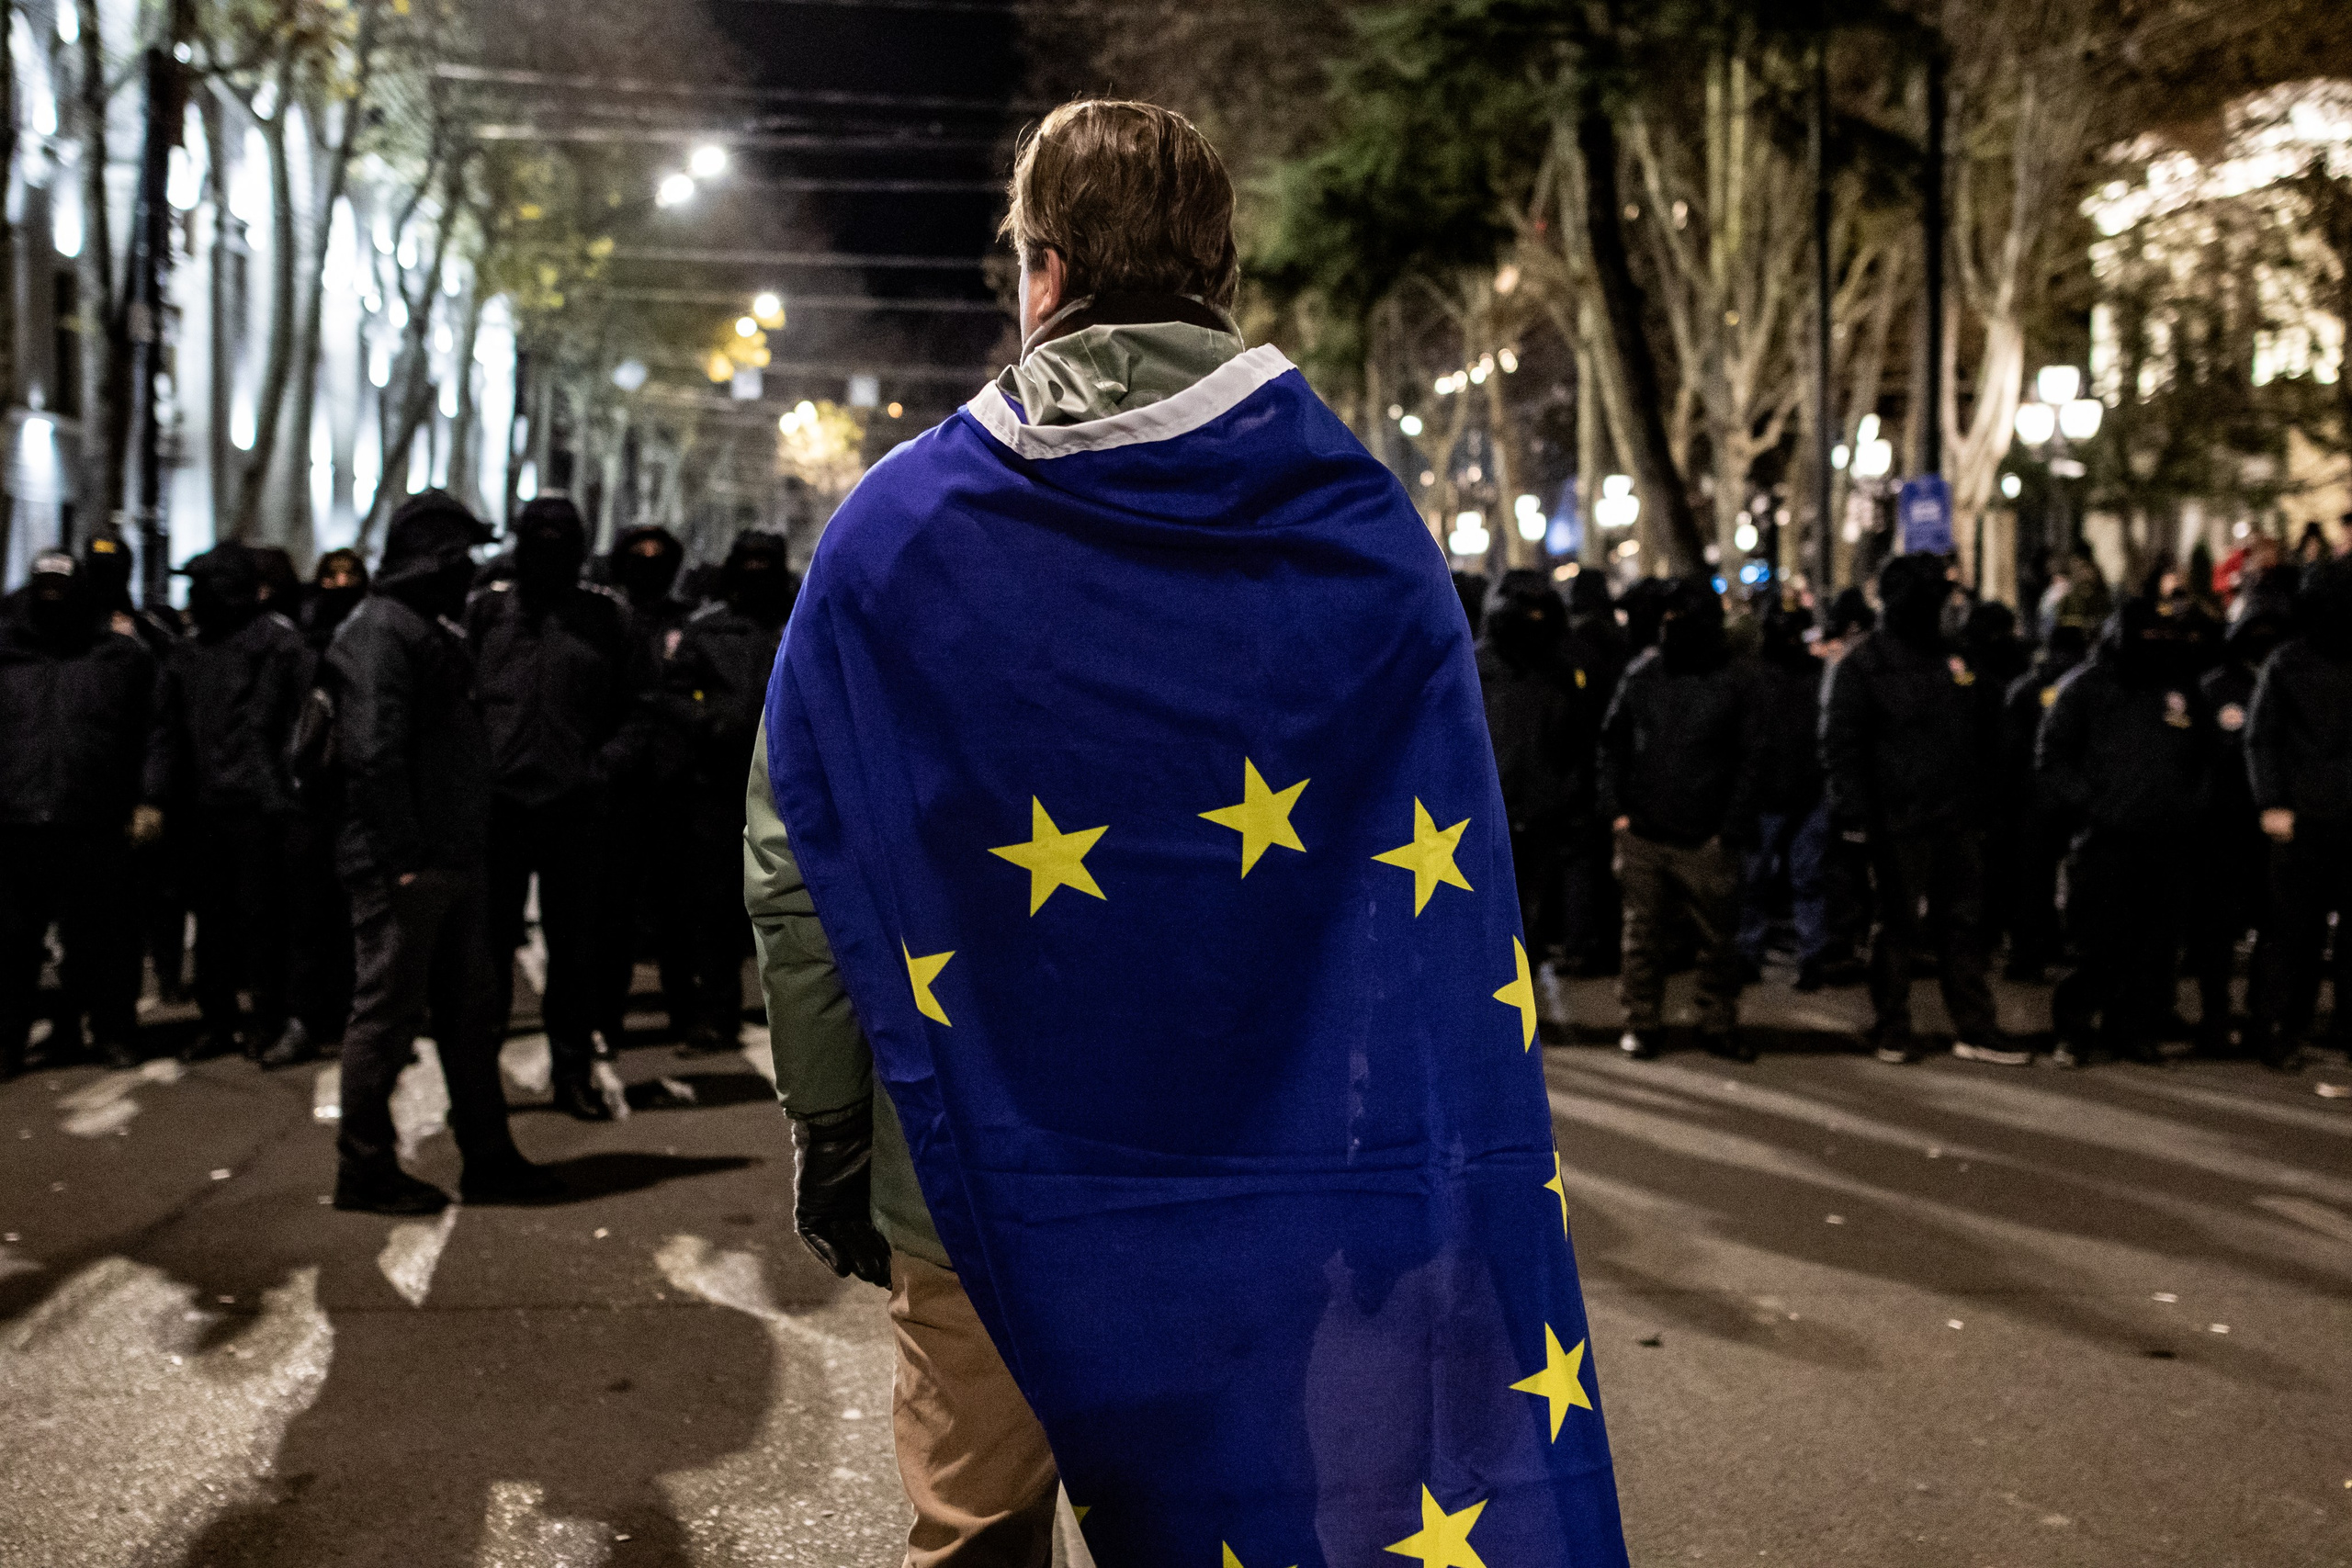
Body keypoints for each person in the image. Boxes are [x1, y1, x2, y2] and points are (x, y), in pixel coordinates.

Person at [749, 100, 1625, 1566]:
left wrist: (837, 1117)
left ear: (1042, 264)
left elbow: (803, 865)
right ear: (1222, 265)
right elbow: (1420, 879)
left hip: (978, 1173)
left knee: (973, 1534)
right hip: (1255, 1189)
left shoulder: (894, 532)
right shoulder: (1357, 529)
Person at [328, 491, 558, 1213]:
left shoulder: (414, 627)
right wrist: (402, 854)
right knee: (387, 1015)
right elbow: (370, 752)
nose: (473, 574)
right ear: (434, 562)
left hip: (445, 856)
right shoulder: (381, 634)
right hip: (410, 863)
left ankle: (487, 1155)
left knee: (469, 1011)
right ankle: (364, 1167)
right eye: (462, 559)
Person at [467, 495, 641, 1120]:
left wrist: (601, 769)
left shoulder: (606, 618)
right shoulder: (486, 613)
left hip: (574, 807)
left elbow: (636, 706)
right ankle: (477, 1080)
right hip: (501, 805)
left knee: (574, 951)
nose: (547, 546)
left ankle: (571, 1072)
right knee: (485, 952)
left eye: (559, 536)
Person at [1822, 555, 2024, 1066]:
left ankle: (1974, 1026)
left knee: (1962, 922)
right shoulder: (1866, 665)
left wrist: (1989, 802)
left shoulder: (1957, 660)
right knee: (1897, 925)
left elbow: (1990, 734)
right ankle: (1892, 1025)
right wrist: (1856, 815)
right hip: (1898, 818)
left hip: (1955, 815)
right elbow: (1843, 745)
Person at [0, 553, 164, 1077]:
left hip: (93, 819)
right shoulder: (6, 654)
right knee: (11, 946)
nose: (53, 596)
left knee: (103, 940)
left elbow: (155, 731)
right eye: (44, 585)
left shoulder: (122, 658)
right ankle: (8, 1042)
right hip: (15, 822)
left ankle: (111, 1030)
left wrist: (150, 797)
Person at [2035, 599, 2217, 1066]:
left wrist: (2190, 808)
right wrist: (2089, 806)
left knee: (2154, 946)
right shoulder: (2084, 689)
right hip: (2105, 839)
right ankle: (2074, 1031)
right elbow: (2052, 758)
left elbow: (2205, 757)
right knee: (2097, 942)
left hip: (2166, 839)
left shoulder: (2180, 690)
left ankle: (2132, 1030)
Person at [150, 543, 310, 1063]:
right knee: (214, 922)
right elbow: (167, 731)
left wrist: (290, 793)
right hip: (204, 808)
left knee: (264, 921)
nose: (194, 599)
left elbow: (305, 727)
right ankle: (218, 1021)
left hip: (262, 812)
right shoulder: (189, 652)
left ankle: (268, 1021)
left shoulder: (280, 646)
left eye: (202, 588)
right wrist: (156, 796)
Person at [1599, 577, 1761, 1060]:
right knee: (1642, 939)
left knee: (1717, 940)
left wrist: (1729, 829)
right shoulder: (1643, 675)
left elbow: (1750, 759)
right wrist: (1619, 815)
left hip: (1707, 837)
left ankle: (1717, 1023)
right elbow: (1613, 745)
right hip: (1646, 833)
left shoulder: (1734, 681)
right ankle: (1642, 1023)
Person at [657, 531, 794, 1054]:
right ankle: (715, 1014)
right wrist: (710, 722)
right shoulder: (708, 630)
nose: (757, 573)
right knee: (713, 907)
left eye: (767, 563)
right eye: (749, 563)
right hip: (717, 786)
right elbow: (672, 692)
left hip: (789, 790)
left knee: (787, 905)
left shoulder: (802, 622)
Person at [2246, 557, 2352, 1070]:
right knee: (2293, 932)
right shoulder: (2289, 663)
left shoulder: (2290, 660)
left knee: (2298, 930)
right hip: (2304, 817)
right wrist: (2273, 802)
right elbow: (2262, 738)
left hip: (2321, 812)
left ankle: (2305, 1027)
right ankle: (2278, 1028)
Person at [602, 525, 699, 1040]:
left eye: (658, 557)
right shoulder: (604, 619)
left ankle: (686, 1014)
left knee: (677, 907)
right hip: (618, 785)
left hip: (676, 781)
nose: (649, 564)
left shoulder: (688, 623)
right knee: (612, 909)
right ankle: (606, 1018)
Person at [2188, 587, 2291, 1053]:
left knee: (2275, 925)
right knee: (2217, 930)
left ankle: (2263, 1017)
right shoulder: (2214, 689)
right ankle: (2216, 1017)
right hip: (2221, 828)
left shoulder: (2291, 685)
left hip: (2273, 828)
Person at [1740, 603, 1851, 990]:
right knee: (1760, 881)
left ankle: (1809, 957)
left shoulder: (1813, 674)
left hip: (1804, 792)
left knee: (1803, 878)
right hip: (1775, 793)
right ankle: (1754, 955)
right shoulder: (1755, 676)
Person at [1476, 571, 1575, 957]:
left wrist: (1561, 793)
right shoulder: (1475, 667)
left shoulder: (1557, 669)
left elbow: (1572, 740)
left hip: (1539, 811)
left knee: (1529, 917)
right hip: (1486, 811)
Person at [1994, 622, 2088, 982]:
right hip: (2078, 800)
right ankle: (2070, 947)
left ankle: (2028, 955)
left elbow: (2008, 753)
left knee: (2033, 881)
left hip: (2032, 801)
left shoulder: (2025, 689)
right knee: (2080, 878)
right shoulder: (2089, 689)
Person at [1555, 570, 1625, 977]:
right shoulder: (1621, 643)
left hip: (1579, 767)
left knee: (1580, 862)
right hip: (1611, 767)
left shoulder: (1570, 648)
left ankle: (1581, 944)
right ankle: (1609, 941)